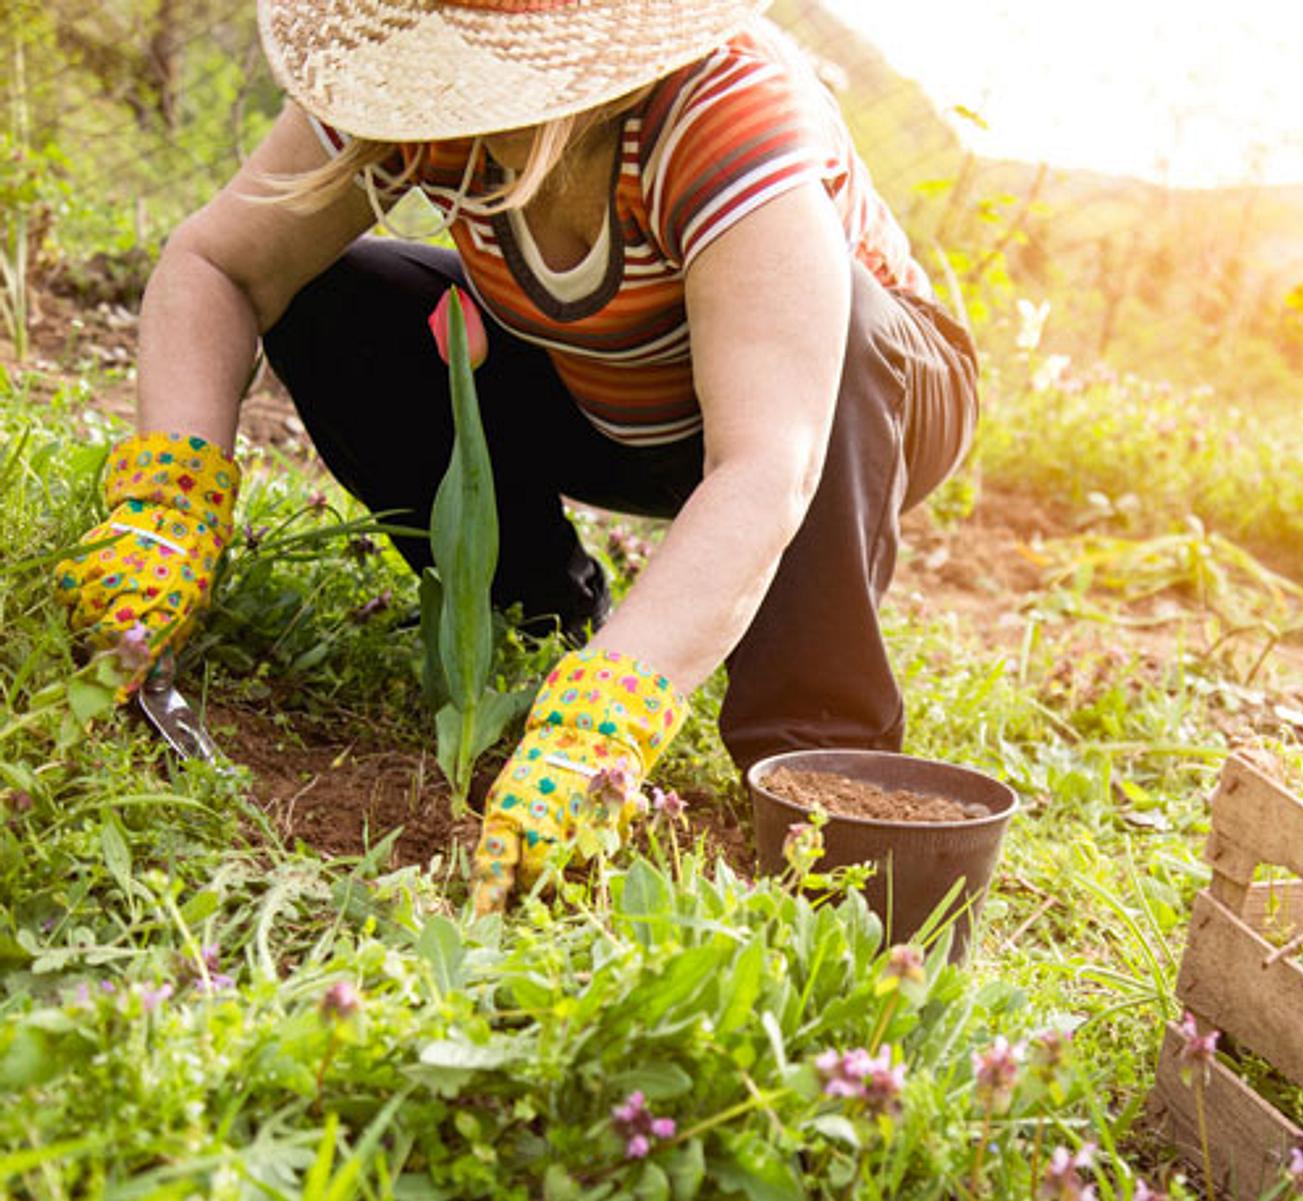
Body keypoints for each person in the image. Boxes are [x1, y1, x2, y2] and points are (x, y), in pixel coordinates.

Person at [52, 0, 979, 914]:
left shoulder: (727, 115)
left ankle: (815, 763)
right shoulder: (411, 76)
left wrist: (608, 718)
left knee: (848, 322)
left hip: (850, 403)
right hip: (609, 386)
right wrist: (169, 504)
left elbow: (769, 462)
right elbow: (220, 264)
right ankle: (541, 613)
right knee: (333, 298)